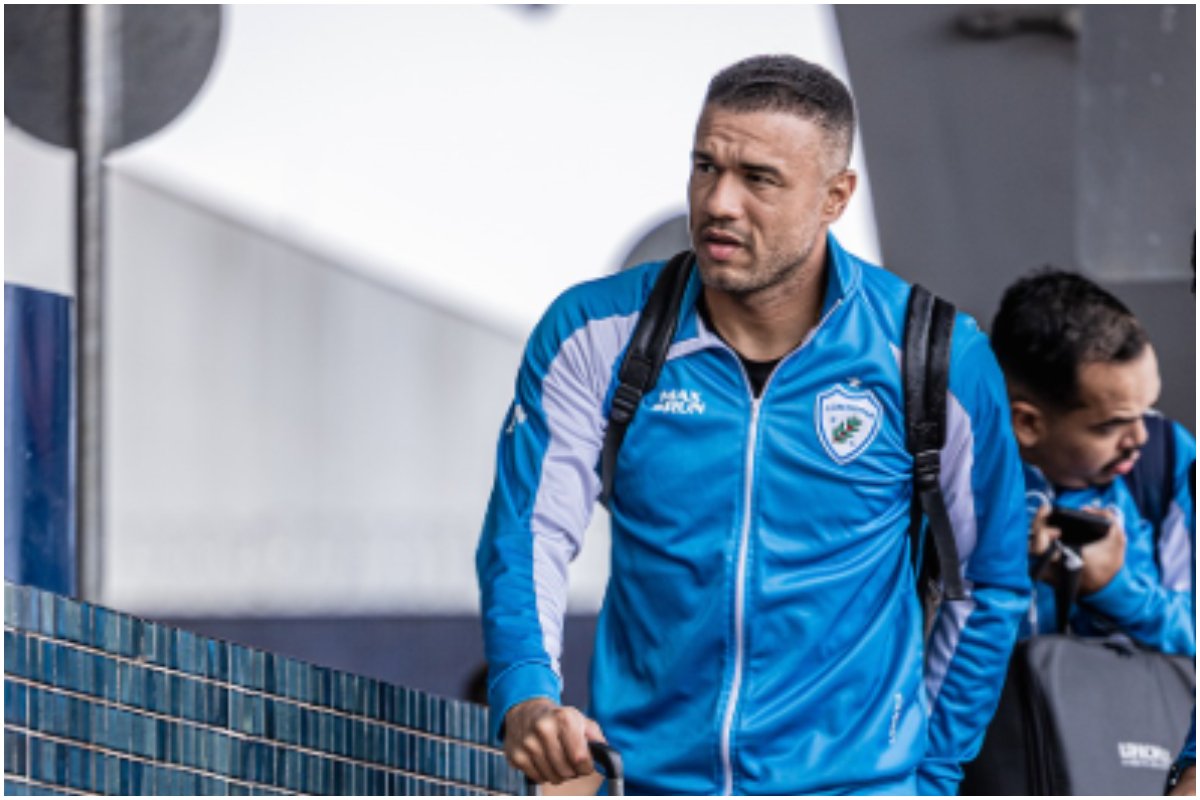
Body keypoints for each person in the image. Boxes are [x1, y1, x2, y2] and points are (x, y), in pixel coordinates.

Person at [475, 54, 1030, 795]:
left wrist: (930, 778)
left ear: (836, 196)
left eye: (759, 179)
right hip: (649, 783)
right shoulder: (595, 333)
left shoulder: (937, 356)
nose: (719, 203)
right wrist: (526, 690)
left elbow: (987, 583)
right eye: (706, 166)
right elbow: (530, 535)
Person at [989, 269, 1195, 655]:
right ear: (1028, 424)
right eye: (1112, 426)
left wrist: (1113, 589)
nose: (1140, 438)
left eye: (1147, 411)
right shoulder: (951, 488)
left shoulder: (1167, 460)